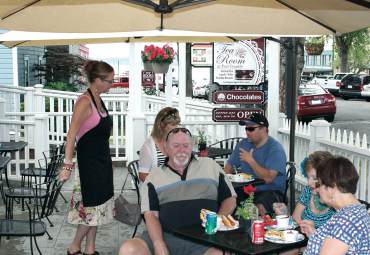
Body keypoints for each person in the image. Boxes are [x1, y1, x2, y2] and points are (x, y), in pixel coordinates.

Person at [119, 127, 237, 255]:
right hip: (165, 236)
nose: (182, 150)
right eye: (176, 146)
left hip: (205, 239)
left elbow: (230, 199)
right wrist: (159, 243)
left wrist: (218, 219)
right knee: (129, 249)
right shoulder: (154, 177)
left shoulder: (210, 166)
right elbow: (151, 215)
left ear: (192, 146)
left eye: (186, 145)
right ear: (166, 148)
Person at [59, 60, 114, 255]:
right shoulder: (84, 101)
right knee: (91, 210)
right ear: (97, 80)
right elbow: (71, 135)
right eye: (109, 81)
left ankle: (90, 249)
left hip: (102, 163)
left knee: (98, 209)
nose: (112, 84)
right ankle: (74, 247)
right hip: (89, 167)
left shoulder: (99, 98)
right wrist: (67, 165)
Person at [301, 156, 370, 255]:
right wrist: (315, 235)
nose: (316, 189)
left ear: (332, 187)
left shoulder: (346, 221)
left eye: (319, 184)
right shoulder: (358, 211)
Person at [224, 113, 287, 216]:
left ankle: (257, 230)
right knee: (225, 199)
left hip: (270, 190)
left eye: (251, 129)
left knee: (259, 207)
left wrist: (250, 161)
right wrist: (226, 182)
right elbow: (229, 166)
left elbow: (269, 178)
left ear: (263, 129)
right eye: (246, 129)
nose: (247, 132)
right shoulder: (244, 144)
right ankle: (227, 227)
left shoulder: (275, 149)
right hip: (246, 189)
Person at [292, 151, 336, 228]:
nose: (309, 183)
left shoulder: (336, 202)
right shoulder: (308, 190)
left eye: (315, 178)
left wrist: (313, 233)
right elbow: (295, 217)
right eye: (308, 177)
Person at [138, 107, 180, 182]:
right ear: (161, 125)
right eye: (173, 124)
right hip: (155, 189)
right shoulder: (148, 146)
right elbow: (142, 175)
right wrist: (161, 184)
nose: (176, 127)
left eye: (177, 124)